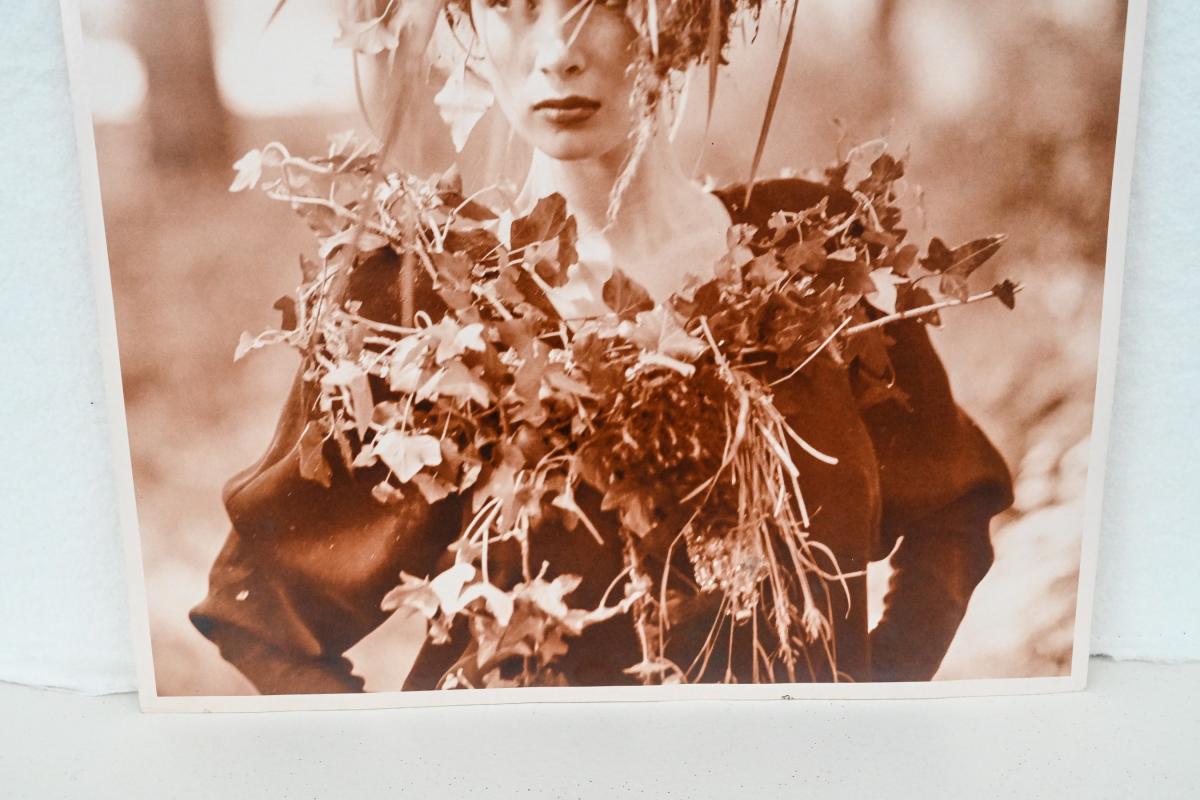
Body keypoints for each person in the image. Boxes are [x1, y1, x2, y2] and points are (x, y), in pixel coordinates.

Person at [190, 0, 1013, 693]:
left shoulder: (814, 257)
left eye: (609, 1)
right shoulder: (424, 301)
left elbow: (950, 508)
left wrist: (872, 711)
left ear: (690, 22)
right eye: (513, 3)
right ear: (473, 30)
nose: (557, 51)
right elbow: (260, 612)